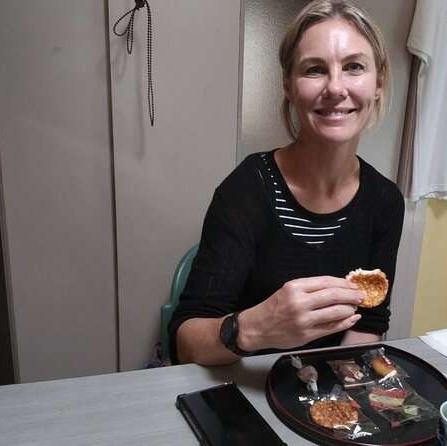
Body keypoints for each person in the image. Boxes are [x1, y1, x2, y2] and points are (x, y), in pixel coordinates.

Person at [169, 0, 404, 366]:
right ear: (289, 86)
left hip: (326, 394)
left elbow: (369, 321)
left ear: (378, 83)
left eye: (354, 67)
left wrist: (336, 404)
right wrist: (254, 328)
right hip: (241, 387)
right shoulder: (247, 189)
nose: (336, 87)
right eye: (314, 70)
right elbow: (186, 344)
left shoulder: (385, 201)